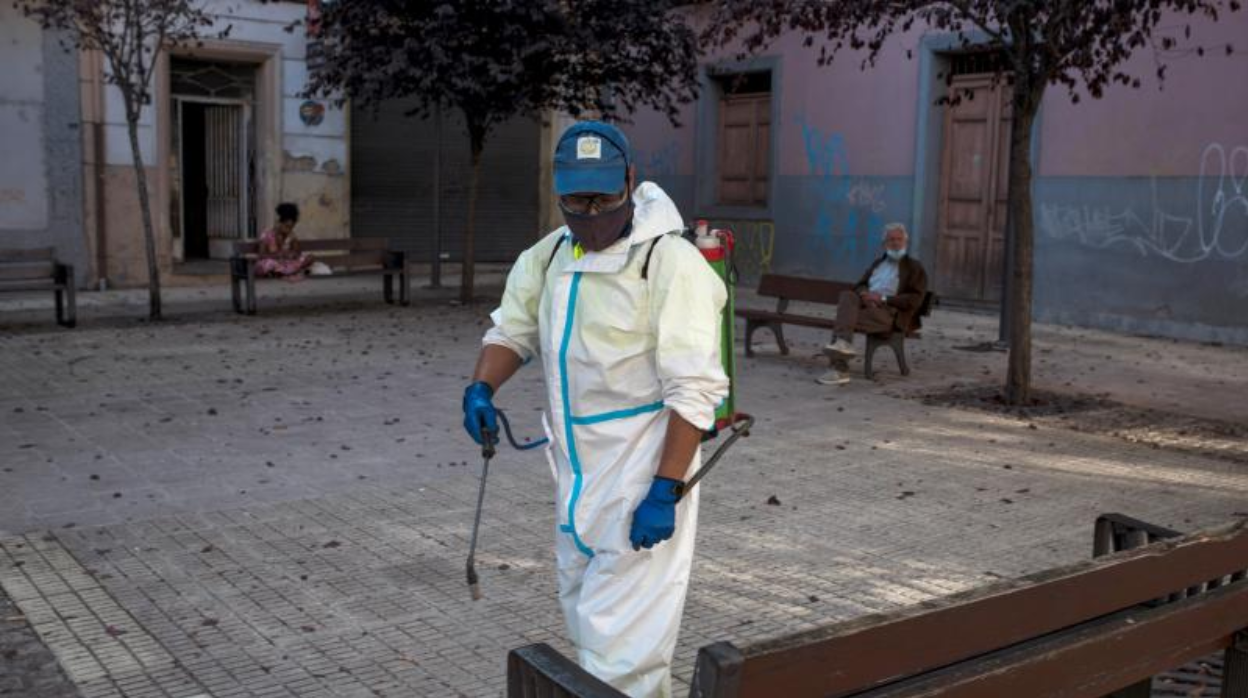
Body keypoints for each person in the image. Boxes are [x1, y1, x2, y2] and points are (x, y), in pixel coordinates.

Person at [462, 121, 728, 697]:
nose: (588, 212)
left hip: (642, 475)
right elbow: (513, 331)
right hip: (574, 474)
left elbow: (695, 390)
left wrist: (666, 491)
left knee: (622, 657)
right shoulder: (549, 256)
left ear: (630, 181)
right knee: (586, 623)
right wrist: (482, 388)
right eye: (574, 199)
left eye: (602, 198)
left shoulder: (670, 263)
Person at [819, 222, 928, 385]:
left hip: (889, 314)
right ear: (884, 244)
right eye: (891, 240)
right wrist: (864, 294)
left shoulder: (914, 267)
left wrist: (882, 299)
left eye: (899, 239)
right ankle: (842, 347)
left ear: (906, 242)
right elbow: (860, 284)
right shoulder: (878, 264)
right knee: (847, 295)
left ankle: (839, 369)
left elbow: (915, 300)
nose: (896, 243)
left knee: (844, 320)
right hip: (866, 307)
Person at [256, 203, 315, 279]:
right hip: (273, 262)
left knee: (310, 257)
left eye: (291, 227)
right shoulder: (266, 234)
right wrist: (276, 255)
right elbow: (261, 255)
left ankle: (284, 272)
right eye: (287, 226)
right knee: (267, 264)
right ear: (280, 223)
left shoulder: (290, 235)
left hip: (286, 263)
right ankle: (287, 272)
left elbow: (298, 253)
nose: (289, 230)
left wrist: (294, 240)